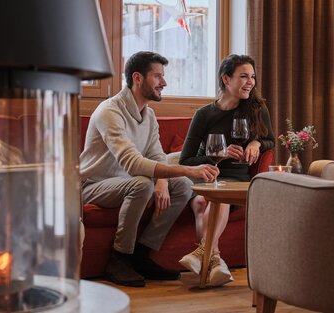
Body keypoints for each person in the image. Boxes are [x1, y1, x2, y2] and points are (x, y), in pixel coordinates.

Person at [80, 51, 220, 287]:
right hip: (93, 184)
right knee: (144, 183)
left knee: (182, 186)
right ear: (138, 78)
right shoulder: (109, 112)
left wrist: (164, 181)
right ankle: (119, 257)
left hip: (126, 181)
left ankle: (140, 254)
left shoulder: (149, 114)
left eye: (163, 76)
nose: (163, 82)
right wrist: (188, 170)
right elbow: (133, 163)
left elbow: (156, 156)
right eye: (157, 76)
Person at [178, 54, 275, 286]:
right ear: (226, 78)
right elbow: (186, 159)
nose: (250, 82)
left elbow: (271, 140)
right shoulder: (204, 115)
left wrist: (256, 143)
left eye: (252, 77)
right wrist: (217, 155)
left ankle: (204, 255)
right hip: (206, 174)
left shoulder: (257, 109)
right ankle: (215, 259)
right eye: (243, 76)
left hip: (234, 176)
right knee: (202, 201)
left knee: (215, 198)